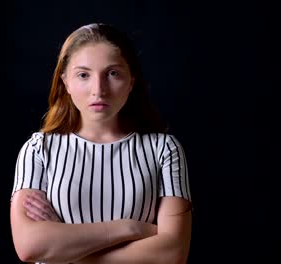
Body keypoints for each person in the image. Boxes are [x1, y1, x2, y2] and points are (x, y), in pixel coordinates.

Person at [10, 22, 192, 264]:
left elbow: (171, 253)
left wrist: (64, 251)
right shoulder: (38, 150)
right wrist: (130, 229)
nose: (99, 89)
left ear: (131, 81)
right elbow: (29, 246)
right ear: (66, 82)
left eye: (113, 73)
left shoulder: (163, 150)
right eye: (83, 75)